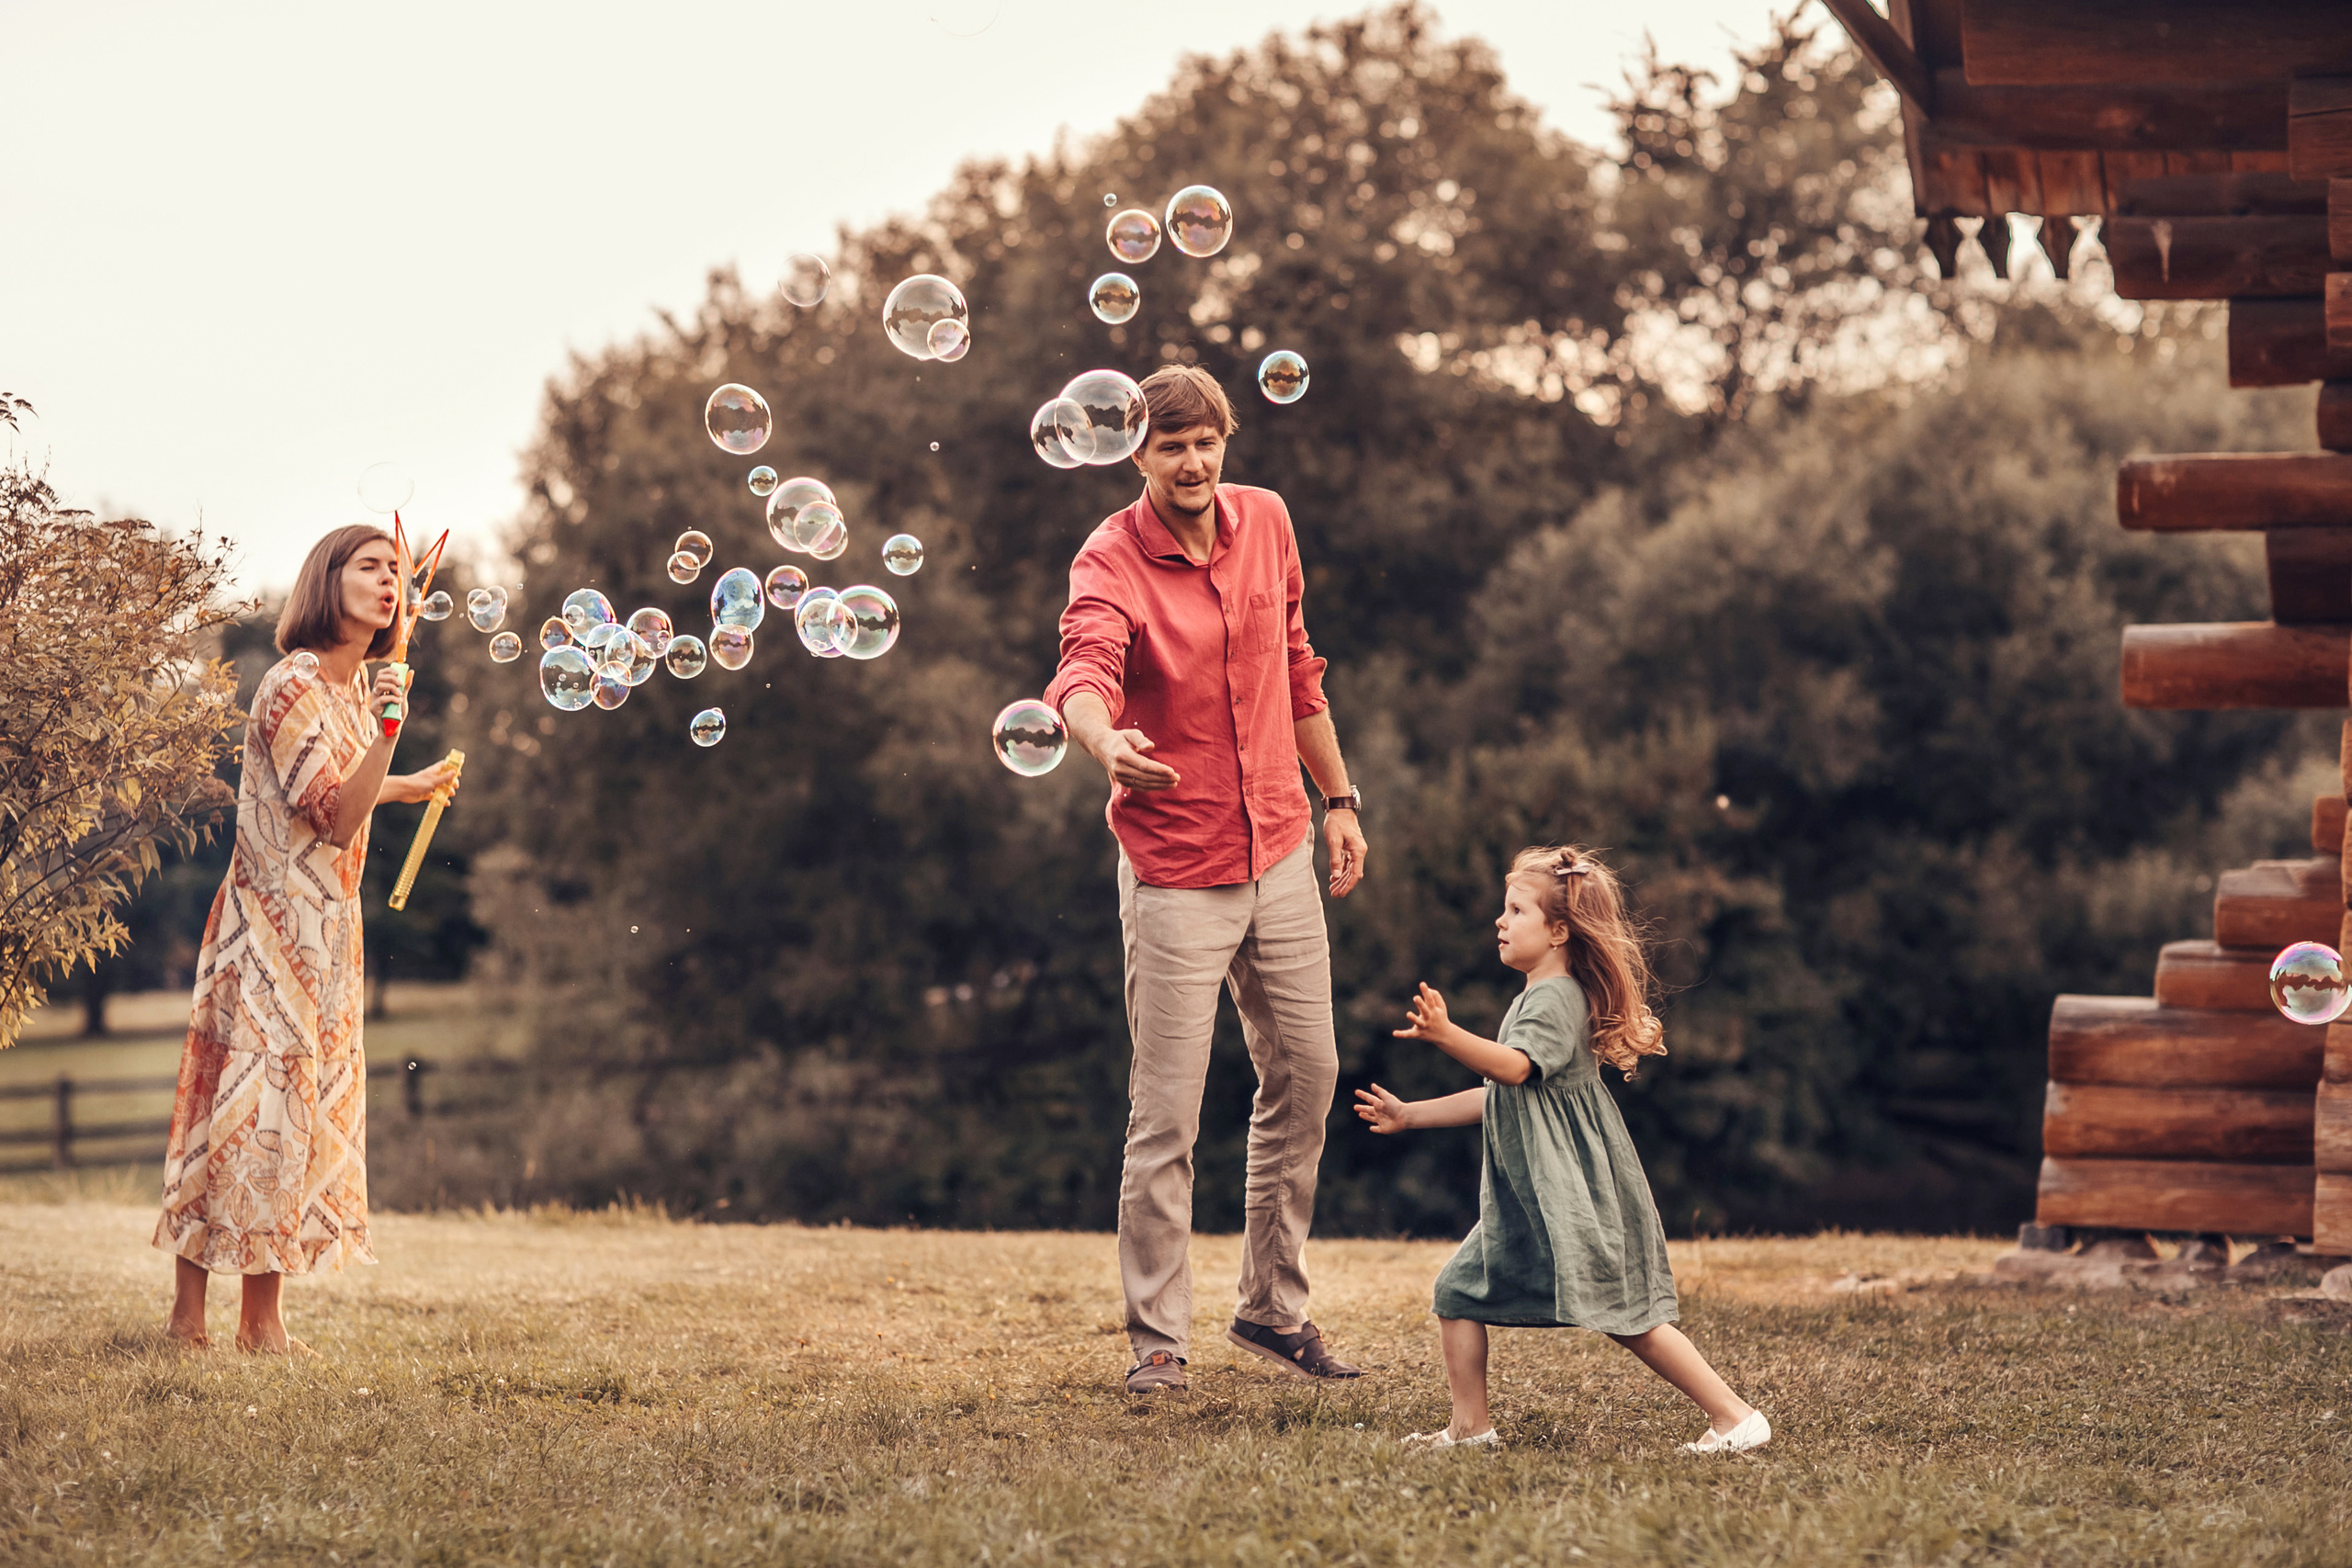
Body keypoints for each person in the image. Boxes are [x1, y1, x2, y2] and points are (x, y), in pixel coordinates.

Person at [1044, 365, 1371, 1396]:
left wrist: (1341, 800)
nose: (1191, 462)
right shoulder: (1109, 556)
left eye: (1206, 442)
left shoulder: (1266, 521)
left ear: (1225, 443)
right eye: (1169, 445)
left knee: (1308, 1074)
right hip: (1176, 865)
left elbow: (1297, 662)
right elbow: (1081, 670)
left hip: (1278, 845)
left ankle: (1272, 1312)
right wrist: (1104, 743)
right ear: (1136, 451)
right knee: (1168, 1115)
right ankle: (1157, 1342)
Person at [154, 525, 460, 1354]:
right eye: (372, 567)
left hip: (326, 933)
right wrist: (392, 736)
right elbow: (330, 813)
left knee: (289, 1116)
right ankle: (195, 1320)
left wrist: (407, 782)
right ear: (328, 580)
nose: (390, 582)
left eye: (398, 572)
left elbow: (343, 785)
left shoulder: (351, 689)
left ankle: (259, 1322)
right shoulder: (291, 684)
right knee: (244, 1111)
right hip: (269, 931)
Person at [1354, 846, 1770, 1453]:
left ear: (1557, 931)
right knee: (1458, 1292)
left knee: (1630, 1318)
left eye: (1516, 909)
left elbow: (1515, 1069)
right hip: (1532, 1200)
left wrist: (1447, 1035)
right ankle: (1471, 1429)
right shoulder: (1539, 997)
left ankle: (1734, 1416)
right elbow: (1502, 1091)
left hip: (1567, 1194)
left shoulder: (1555, 999)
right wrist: (1411, 1113)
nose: (1501, 920)